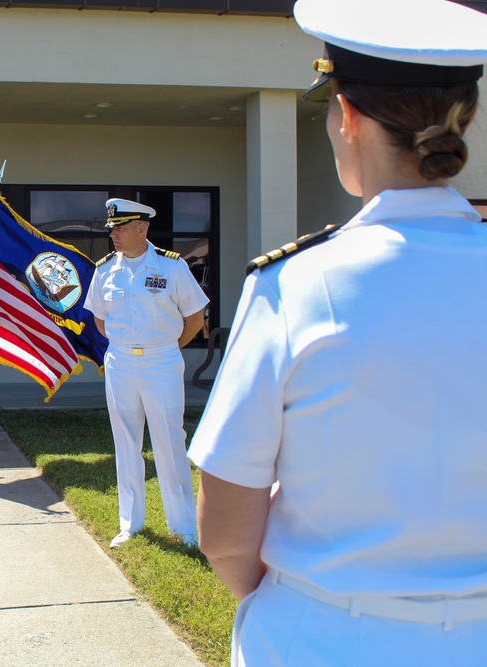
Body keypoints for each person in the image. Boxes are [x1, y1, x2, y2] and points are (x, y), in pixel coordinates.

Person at [189, 0, 487, 664]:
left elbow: (227, 531)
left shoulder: (293, 287)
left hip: (326, 635)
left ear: (346, 114)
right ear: (461, 118)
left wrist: (299, 600)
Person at [84, 198, 208, 549]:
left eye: (121, 228)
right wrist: (128, 345)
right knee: (125, 443)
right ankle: (130, 524)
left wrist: (164, 348)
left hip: (162, 361)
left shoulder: (172, 267)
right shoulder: (105, 269)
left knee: (169, 443)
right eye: (112, 229)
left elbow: (195, 318)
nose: (114, 235)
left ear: (142, 228)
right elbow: (100, 318)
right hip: (120, 361)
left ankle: (183, 527)